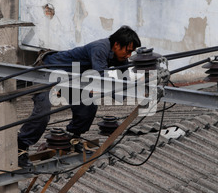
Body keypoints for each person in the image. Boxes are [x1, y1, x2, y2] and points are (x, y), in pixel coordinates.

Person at [18, 25, 141, 167]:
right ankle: (21, 147)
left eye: (131, 52)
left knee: (87, 106)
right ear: (117, 44)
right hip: (48, 72)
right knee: (43, 111)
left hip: (70, 80)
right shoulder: (100, 48)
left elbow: (122, 88)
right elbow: (100, 80)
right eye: (128, 50)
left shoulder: (121, 57)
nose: (129, 56)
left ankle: (72, 138)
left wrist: (133, 89)